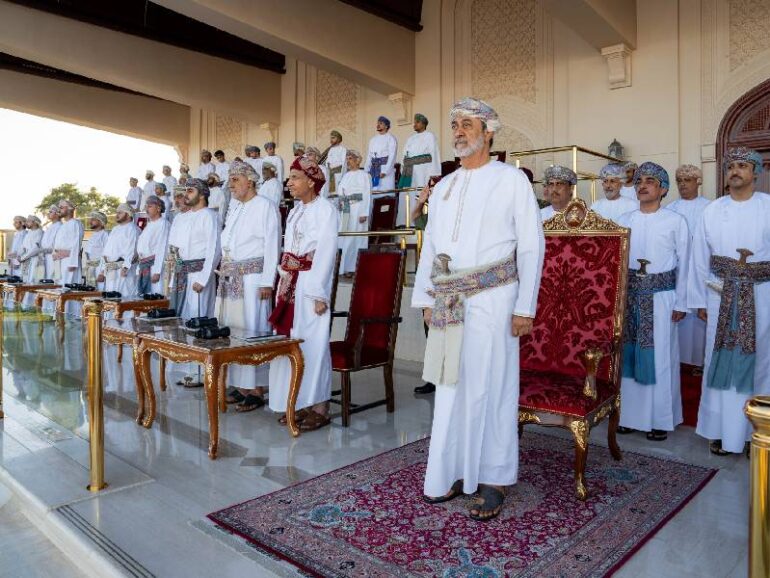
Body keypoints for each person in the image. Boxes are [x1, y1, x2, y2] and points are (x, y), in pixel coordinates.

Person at [412, 97, 544, 521]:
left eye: (467, 124)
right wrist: (426, 298)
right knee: (451, 385)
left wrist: (525, 307)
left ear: (488, 132)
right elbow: (431, 247)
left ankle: (493, 477)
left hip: (494, 298)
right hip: (449, 299)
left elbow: (531, 245)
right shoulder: (445, 186)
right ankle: (450, 470)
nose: (458, 131)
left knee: (493, 385)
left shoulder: (511, 180)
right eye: (455, 124)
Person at [689, 146, 770, 456]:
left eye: (742, 166)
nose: (735, 171)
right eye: (731, 166)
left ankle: (757, 433)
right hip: (719, 297)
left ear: (755, 172)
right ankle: (720, 431)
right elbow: (700, 258)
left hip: (761, 297)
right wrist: (698, 300)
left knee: (759, 363)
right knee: (719, 362)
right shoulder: (713, 210)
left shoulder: (767, 206)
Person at [616, 163, 689, 441]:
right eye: (638, 181)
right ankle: (628, 417)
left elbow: (686, 263)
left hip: (662, 299)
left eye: (649, 181)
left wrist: (682, 302)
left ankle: (660, 419)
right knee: (629, 356)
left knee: (660, 357)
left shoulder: (675, 221)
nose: (642, 185)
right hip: (630, 298)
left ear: (663, 189)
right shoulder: (624, 220)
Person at [268, 155, 338, 431]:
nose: (289, 182)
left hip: (310, 286)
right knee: (289, 344)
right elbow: (288, 250)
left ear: (311, 181)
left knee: (313, 346)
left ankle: (319, 407)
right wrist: (282, 280)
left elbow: (326, 252)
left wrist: (319, 294)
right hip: (289, 284)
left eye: (295, 178)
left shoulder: (326, 210)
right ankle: (295, 402)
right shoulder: (295, 211)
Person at [216, 160, 280, 412]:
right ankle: (242, 385)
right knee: (234, 331)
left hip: (253, 279)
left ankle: (257, 388)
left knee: (252, 330)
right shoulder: (236, 208)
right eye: (230, 180)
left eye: (235, 180)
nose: (230, 185)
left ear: (250, 180)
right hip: (231, 277)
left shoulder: (265, 205)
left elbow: (272, 244)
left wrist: (267, 281)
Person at [668, 164, 711, 367]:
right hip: (679, 270)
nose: (683, 184)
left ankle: (700, 363)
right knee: (679, 315)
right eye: (679, 181)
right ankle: (680, 361)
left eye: (687, 180)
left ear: (698, 182)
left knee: (701, 315)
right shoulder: (670, 209)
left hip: (704, 269)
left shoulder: (710, 208)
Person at [167, 178, 220, 319]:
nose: (186, 195)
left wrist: (203, 279)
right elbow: (178, 251)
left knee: (197, 317)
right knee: (180, 318)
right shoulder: (184, 218)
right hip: (181, 276)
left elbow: (214, 250)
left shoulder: (210, 216)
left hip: (199, 275)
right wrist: (174, 278)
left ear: (202, 195)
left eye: (190, 191)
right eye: (186, 191)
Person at [398, 113, 442, 225]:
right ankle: (406, 223)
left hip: (423, 171)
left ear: (423, 124)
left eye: (417, 122)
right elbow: (404, 154)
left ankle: (419, 224)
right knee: (408, 195)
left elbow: (433, 154)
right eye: (414, 122)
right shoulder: (410, 138)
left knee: (419, 195)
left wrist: (434, 174)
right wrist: (404, 167)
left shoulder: (430, 136)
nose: (415, 124)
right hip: (409, 171)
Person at [337, 149, 371, 276]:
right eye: (347, 159)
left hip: (358, 210)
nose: (348, 161)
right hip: (346, 209)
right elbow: (340, 191)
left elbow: (367, 194)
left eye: (350, 159)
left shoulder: (364, 175)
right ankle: (344, 267)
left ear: (357, 160)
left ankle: (354, 268)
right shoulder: (346, 176)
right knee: (345, 237)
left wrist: (364, 213)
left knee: (356, 238)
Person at [97, 204, 139, 295]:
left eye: (120, 213)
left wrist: (126, 267)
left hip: (123, 271)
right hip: (111, 270)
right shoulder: (115, 229)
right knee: (110, 297)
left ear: (128, 214)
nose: (117, 215)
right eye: (117, 213)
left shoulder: (133, 229)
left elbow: (132, 250)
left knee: (124, 296)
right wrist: (102, 270)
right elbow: (107, 251)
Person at [136, 196, 170, 295]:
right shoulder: (149, 224)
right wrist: (138, 269)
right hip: (144, 266)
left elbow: (162, 247)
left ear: (158, 208)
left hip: (155, 267)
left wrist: (157, 271)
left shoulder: (163, 224)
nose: (147, 209)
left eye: (150, 206)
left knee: (156, 295)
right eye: (146, 206)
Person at [53, 199, 84, 288]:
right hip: (59, 261)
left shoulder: (76, 223)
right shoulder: (63, 225)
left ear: (69, 209)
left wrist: (73, 263)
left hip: (69, 261)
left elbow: (76, 244)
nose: (59, 210)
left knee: (68, 287)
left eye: (61, 207)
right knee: (59, 286)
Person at [365, 116, 398, 192]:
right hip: (373, 169)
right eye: (377, 123)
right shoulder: (373, 139)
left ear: (386, 126)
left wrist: (385, 171)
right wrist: (366, 169)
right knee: (373, 191)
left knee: (384, 191)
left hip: (384, 168)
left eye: (381, 123)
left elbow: (392, 156)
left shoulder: (391, 138)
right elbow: (369, 156)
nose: (378, 125)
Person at [18, 215, 44, 303]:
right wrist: (18, 255)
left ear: (34, 222)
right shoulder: (28, 233)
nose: (26, 223)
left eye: (28, 221)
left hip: (35, 260)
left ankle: (33, 305)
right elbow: (23, 247)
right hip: (26, 261)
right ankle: (24, 304)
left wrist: (23, 257)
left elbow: (35, 249)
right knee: (25, 281)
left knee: (33, 281)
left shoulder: (40, 232)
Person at [83, 211, 109, 288]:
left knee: (99, 291)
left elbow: (107, 255)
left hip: (99, 269)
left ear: (101, 222)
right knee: (91, 291)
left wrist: (103, 273)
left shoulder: (105, 235)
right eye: (90, 219)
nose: (90, 221)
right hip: (91, 268)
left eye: (93, 219)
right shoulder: (93, 235)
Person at [40, 204, 62, 280]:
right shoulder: (50, 226)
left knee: (53, 280)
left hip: (54, 258)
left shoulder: (60, 226)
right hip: (45, 258)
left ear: (57, 214)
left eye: (50, 212)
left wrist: (45, 250)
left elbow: (58, 246)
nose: (48, 213)